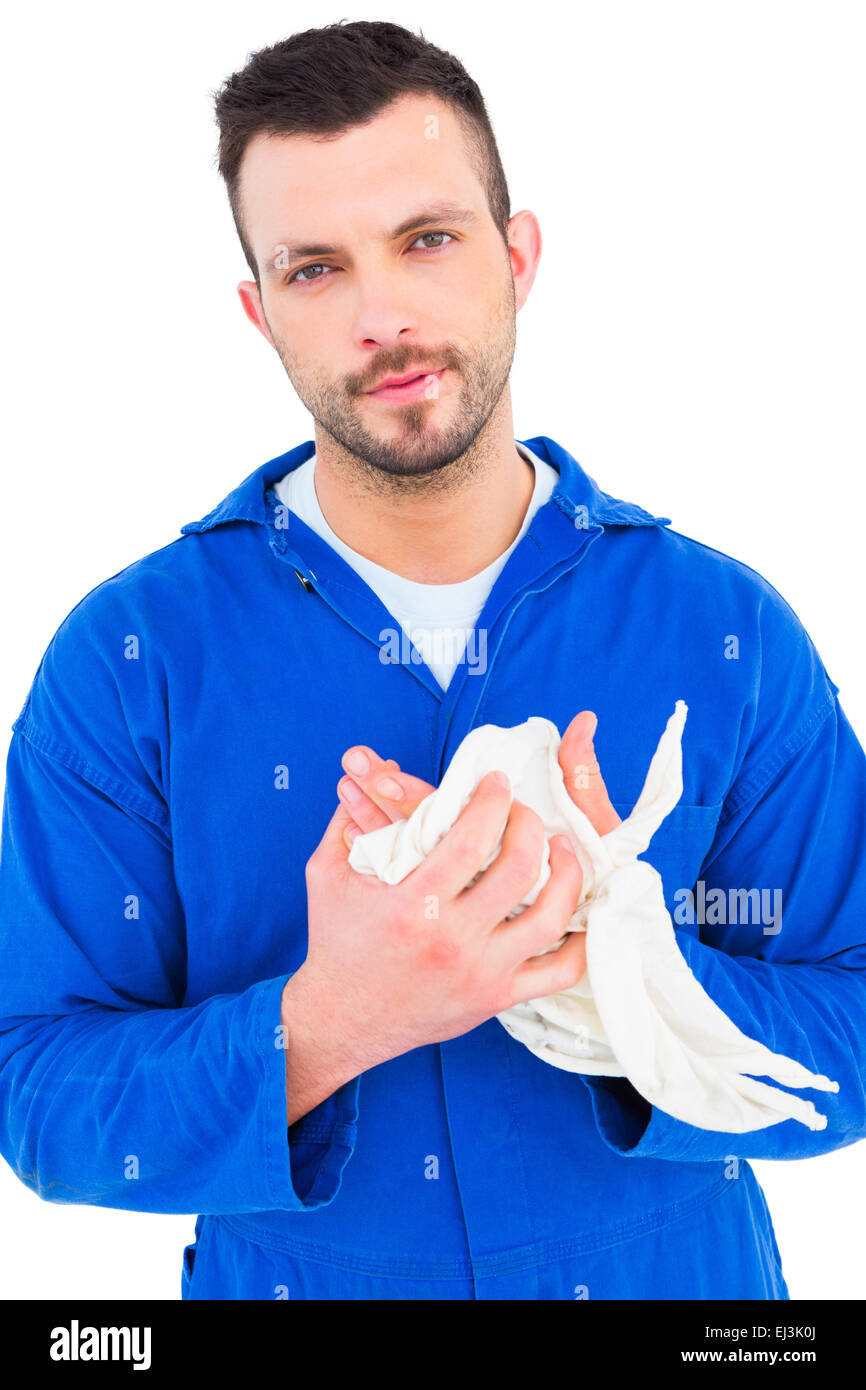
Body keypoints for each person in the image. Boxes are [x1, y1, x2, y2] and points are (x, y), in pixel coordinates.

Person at [1, 18, 864, 1302]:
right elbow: (40, 1088)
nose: (381, 315)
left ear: (517, 256)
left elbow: (850, 1022)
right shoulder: (129, 662)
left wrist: (619, 979)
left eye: (426, 239)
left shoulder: (720, 632)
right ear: (257, 311)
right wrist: (327, 1025)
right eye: (314, 269)